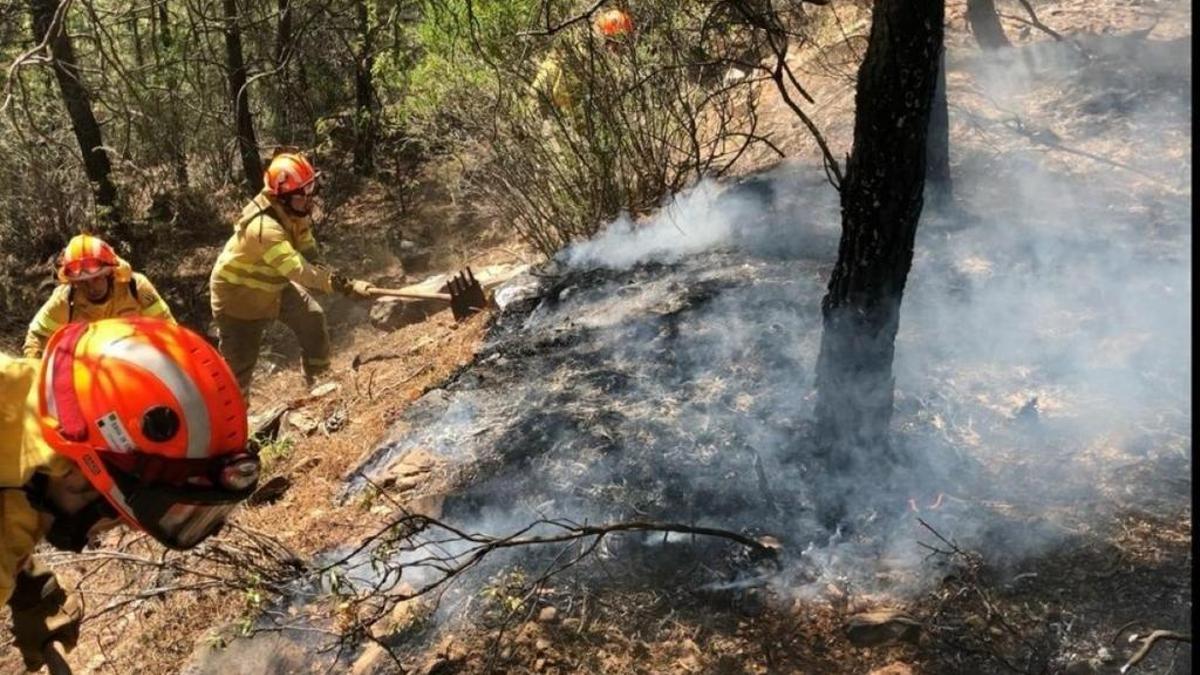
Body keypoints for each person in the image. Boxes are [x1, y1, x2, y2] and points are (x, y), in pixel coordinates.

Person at [1, 317, 260, 671]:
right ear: (80, 476)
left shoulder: (29, 415)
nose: (98, 533)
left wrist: (24, 577)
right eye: (114, 516)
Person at [209, 150, 374, 393]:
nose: (309, 201)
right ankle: (233, 415)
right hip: (239, 301)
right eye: (302, 196)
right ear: (283, 196)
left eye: (311, 192)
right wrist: (346, 286)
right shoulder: (264, 229)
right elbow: (299, 270)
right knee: (238, 372)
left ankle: (319, 382)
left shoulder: (295, 214)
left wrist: (332, 277)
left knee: (312, 318)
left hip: (273, 286)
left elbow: (309, 255)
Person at [23, 234, 174, 359]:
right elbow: (37, 336)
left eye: (96, 278)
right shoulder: (64, 300)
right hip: (87, 372)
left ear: (109, 273)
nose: (91, 288)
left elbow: (168, 328)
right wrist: (36, 369)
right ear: (74, 283)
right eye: (82, 282)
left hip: (136, 363)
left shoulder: (136, 287)